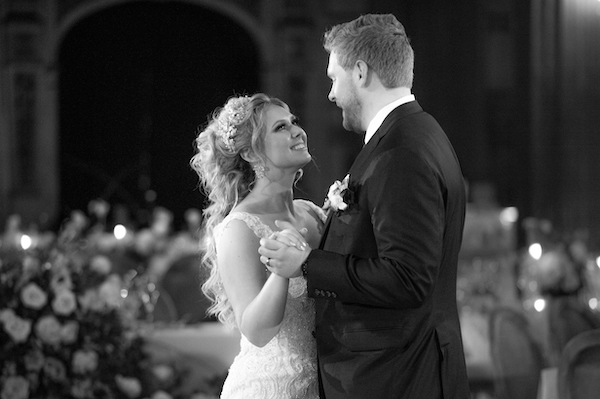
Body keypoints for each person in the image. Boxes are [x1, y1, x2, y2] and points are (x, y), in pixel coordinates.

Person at [259, 13, 471, 398]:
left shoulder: (400, 152)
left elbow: (407, 278)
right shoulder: (417, 134)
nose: (330, 94)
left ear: (360, 72)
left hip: (396, 377)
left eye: (333, 78)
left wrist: (307, 264)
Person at [190, 93, 326, 398]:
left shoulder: (313, 214)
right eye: (280, 127)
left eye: (293, 122)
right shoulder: (239, 228)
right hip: (271, 387)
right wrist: (282, 271)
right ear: (252, 153)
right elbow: (256, 331)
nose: (297, 131)